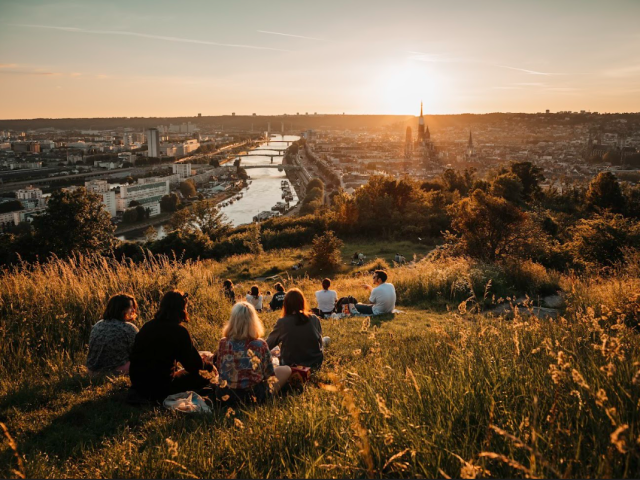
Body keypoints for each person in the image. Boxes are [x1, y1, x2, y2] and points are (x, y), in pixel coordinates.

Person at [129, 290, 214, 401]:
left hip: (138, 384)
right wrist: (208, 365)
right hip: (161, 386)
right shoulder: (179, 331)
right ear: (182, 309)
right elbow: (192, 365)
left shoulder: (147, 326)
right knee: (198, 378)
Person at [215, 302, 291, 405]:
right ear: (253, 321)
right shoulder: (260, 344)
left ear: (232, 321)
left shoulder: (223, 342)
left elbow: (220, 369)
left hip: (226, 396)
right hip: (254, 396)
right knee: (286, 369)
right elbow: (269, 375)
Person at [266, 288, 328, 370]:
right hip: (315, 363)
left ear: (286, 304)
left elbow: (267, 345)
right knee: (326, 339)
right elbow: (319, 341)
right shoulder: (314, 318)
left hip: (291, 365)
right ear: (302, 302)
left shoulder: (283, 322)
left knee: (275, 350)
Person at [86, 293, 139, 375]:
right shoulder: (128, 328)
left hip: (92, 371)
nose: (133, 310)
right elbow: (139, 351)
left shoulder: (98, 324)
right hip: (115, 371)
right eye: (131, 307)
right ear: (123, 310)